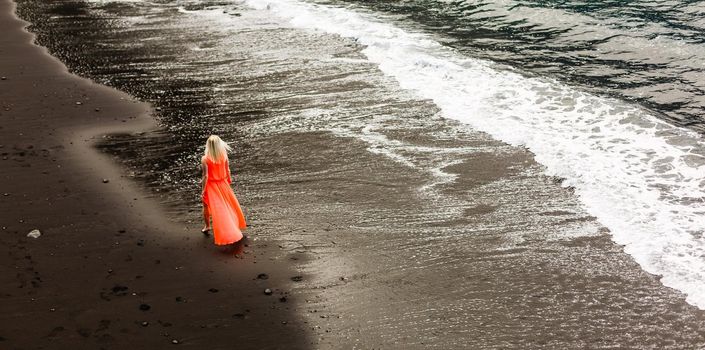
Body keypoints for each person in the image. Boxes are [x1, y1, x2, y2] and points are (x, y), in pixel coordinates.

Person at [201, 135, 247, 245]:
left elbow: (205, 176)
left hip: (211, 185)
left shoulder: (205, 159)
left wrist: (203, 190)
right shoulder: (224, 155)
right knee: (227, 205)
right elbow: (228, 170)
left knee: (206, 205)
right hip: (223, 183)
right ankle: (234, 225)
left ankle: (207, 226)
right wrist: (228, 181)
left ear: (208, 145)